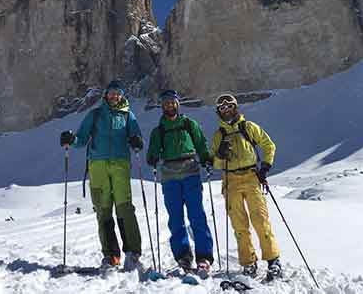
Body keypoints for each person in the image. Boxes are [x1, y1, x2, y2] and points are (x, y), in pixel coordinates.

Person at [60, 80, 144, 270]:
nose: (114, 96)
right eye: (112, 92)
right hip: (97, 165)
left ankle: (132, 253)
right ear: (106, 95)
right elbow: (81, 140)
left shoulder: (128, 116)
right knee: (103, 210)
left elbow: (136, 138)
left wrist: (137, 142)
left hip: (120, 164)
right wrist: (71, 140)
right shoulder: (95, 115)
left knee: (125, 209)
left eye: (118, 93)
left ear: (122, 95)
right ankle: (111, 255)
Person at [211, 93, 282, 281]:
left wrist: (265, 167)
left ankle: (273, 261)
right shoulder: (219, 135)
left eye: (229, 106)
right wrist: (221, 154)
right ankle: (248, 263)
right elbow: (216, 163)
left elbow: (268, 145)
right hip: (230, 179)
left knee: (260, 219)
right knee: (239, 224)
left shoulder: (248, 127)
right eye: (222, 107)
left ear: (235, 107)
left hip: (251, 176)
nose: (226, 109)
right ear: (219, 111)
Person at [146, 89, 214, 276]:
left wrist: (207, 158)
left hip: (191, 172)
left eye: (172, 102)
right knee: (175, 219)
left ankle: (204, 257)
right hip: (169, 177)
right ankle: (183, 256)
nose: (169, 105)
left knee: (196, 215)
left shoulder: (189, 124)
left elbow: (201, 144)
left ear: (177, 104)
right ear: (162, 106)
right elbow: (152, 152)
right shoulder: (158, 131)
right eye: (165, 102)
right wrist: (151, 157)